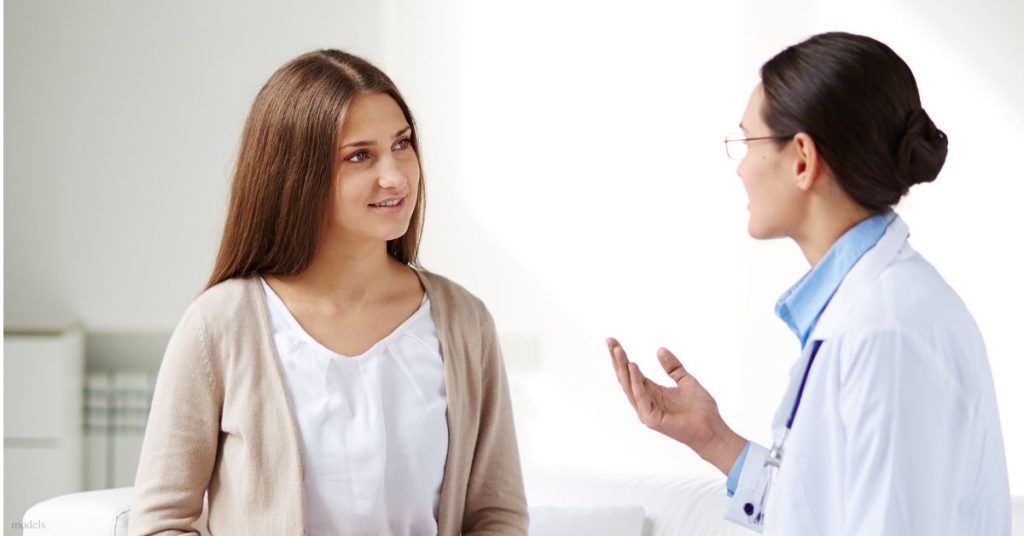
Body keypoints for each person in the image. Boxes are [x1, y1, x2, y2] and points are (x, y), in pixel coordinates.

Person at [607, 32, 1011, 535]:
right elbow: (828, 513)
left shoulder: (888, 332)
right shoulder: (866, 311)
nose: (739, 168)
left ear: (801, 158)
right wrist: (712, 438)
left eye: (748, 142)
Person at [130, 49, 528, 535]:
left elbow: (497, 515)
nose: (396, 175)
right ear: (296, 174)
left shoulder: (464, 322)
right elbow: (161, 521)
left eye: (402, 144)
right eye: (360, 156)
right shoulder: (220, 325)